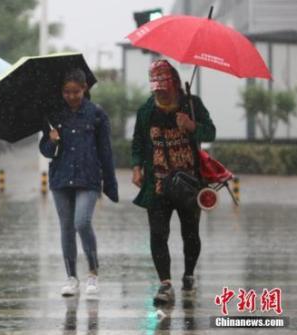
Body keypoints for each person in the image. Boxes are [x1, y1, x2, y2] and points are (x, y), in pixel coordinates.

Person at [131, 59, 216, 305]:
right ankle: (165, 283)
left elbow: (210, 131)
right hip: (157, 184)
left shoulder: (192, 104)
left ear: (176, 85)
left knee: (191, 235)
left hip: (189, 184)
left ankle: (189, 273)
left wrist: (192, 126)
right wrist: (137, 166)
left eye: (165, 88)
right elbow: (138, 141)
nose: (161, 93)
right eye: (156, 89)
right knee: (158, 234)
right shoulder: (146, 111)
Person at [39, 69, 118, 297]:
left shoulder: (97, 115)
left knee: (82, 222)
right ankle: (71, 277)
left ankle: (92, 273)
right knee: (66, 227)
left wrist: (110, 183)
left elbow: (106, 151)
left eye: (76, 91)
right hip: (60, 178)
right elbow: (45, 151)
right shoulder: (54, 115)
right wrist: (51, 140)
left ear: (85, 89)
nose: (71, 96)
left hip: (88, 177)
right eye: (66, 92)